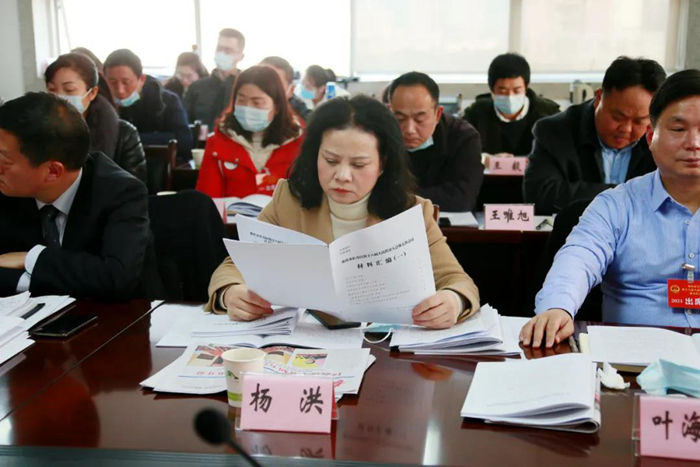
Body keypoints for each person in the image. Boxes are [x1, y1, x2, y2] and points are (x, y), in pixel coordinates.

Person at [206, 95, 480, 329]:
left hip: (383, 347)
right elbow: (233, 267)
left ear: (382, 164)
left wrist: (452, 301)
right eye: (331, 160)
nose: (342, 176)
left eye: (359, 164)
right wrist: (231, 294)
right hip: (306, 343)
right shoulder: (289, 201)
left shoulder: (411, 212)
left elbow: (457, 281)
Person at [520, 69, 700, 348]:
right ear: (651, 136)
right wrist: (558, 307)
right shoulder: (616, 205)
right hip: (633, 362)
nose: (694, 144)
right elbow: (579, 258)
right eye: (678, 129)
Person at [0, 92, 156, 299]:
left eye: (4, 161)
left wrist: (31, 259)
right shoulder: (8, 189)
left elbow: (115, 277)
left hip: (116, 315)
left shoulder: (120, 193)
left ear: (53, 171)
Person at [523, 56, 667, 214]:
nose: (626, 129)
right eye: (617, 117)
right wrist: (628, 194)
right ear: (598, 98)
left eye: (639, 121)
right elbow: (541, 194)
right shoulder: (555, 131)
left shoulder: (664, 138)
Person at [195, 65, 303, 198]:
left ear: (277, 107)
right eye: (241, 100)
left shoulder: (298, 144)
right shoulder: (218, 142)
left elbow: (304, 199)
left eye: (257, 103)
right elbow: (207, 198)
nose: (247, 108)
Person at [389, 71, 483, 212]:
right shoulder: (377, 137)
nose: (409, 129)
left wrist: (400, 198)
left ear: (437, 114)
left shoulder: (463, 137)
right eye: (400, 119)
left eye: (419, 119)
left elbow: (463, 197)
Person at [45, 52, 146, 182]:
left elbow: (134, 187)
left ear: (92, 93)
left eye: (69, 90)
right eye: (52, 90)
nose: (59, 97)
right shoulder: (36, 131)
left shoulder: (124, 134)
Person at [104, 48, 193, 165]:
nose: (120, 90)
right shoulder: (102, 104)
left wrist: (129, 140)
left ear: (141, 79)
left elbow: (184, 143)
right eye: (113, 82)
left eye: (126, 82)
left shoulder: (167, 101)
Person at [463, 53, 560, 159]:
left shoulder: (549, 114)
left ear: (526, 87)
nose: (510, 96)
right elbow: (460, 151)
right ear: (492, 90)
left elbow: (564, 153)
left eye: (517, 90)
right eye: (502, 91)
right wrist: (485, 159)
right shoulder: (476, 114)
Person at [185, 28, 245, 128]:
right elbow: (185, 123)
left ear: (241, 56)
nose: (222, 53)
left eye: (228, 50)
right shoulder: (196, 87)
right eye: (219, 49)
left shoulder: (245, 88)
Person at [260, 55, 311, 122]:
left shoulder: (301, 119)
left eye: (275, 84)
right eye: (259, 80)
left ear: (291, 90)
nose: (264, 88)